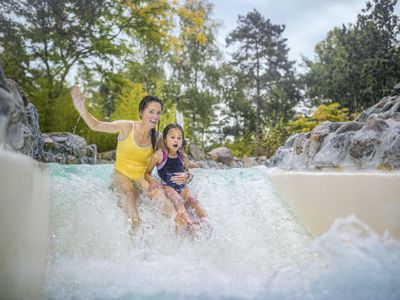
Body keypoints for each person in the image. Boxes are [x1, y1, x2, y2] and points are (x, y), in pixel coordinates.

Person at [70, 86, 192, 231]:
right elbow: (96, 125)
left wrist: (188, 175)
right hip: (122, 174)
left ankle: (177, 220)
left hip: (142, 178)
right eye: (151, 111)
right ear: (141, 112)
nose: (155, 116)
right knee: (130, 193)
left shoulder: (158, 137)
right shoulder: (127, 127)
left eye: (158, 113)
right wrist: (82, 109)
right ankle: (135, 226)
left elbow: (177, 159)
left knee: (158, 194)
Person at [145, 123, 207, 231]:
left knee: (193, 200)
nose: (176, 140)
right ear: (165, 139)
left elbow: (187, 172)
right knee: (179, 201)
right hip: (167, 186)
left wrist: (187, 175)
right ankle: (188, 225)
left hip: (182, 187)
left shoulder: (182, 156)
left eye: (179, 138)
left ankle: (207, 223)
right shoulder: (159, 155)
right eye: (172, 137)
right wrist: (153, 181)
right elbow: (147, 173)